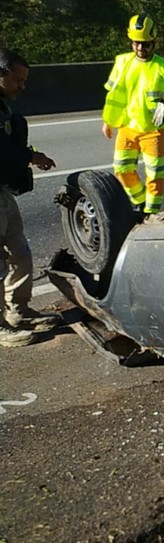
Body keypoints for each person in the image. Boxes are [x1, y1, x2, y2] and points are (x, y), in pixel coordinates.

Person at [0, 48, 61, 347]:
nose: (21, 86)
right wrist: (31, 156)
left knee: (19, 252)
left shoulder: (3, 105)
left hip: (1, 192)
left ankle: (18, 311)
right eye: (16, 80)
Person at [101, 14, 164, 215]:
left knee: (154, 174)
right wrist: (107, 121)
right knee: (121, 169)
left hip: (155, 131)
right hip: (128, 127)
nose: (140, 48)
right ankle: (140, 201)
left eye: (145, 44)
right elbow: (114, 95)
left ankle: (151, 213)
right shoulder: (122, 62)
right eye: (137, 43)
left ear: (153, 43)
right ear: (131, 42)